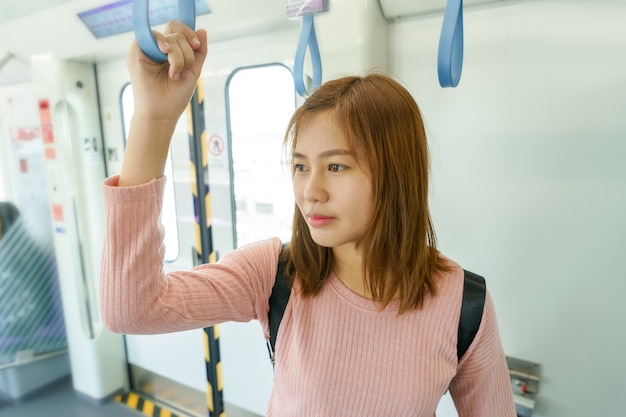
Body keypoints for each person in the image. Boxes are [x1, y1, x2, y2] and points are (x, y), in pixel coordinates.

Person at [101, 21, 516, 416]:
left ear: (396, 174)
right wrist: (153, 119)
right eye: (301, 167)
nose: (310, 192)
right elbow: (131, 310)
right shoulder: (276, 272)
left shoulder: (463, 303)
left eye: (336, 167)